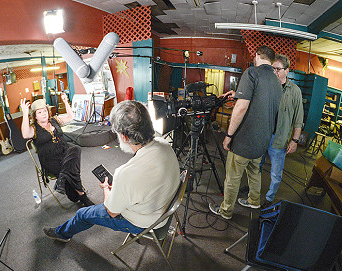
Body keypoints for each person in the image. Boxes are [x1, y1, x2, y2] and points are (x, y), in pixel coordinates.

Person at [42, 100, 180, 242]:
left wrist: (106, 189)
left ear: (124, 137)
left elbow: (112, 212)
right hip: (164, 211)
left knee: (83, 214)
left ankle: (62, 234)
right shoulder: (164, 144)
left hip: (144, 222)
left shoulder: (125, 173)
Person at [209, 45, 282, 220]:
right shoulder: (277, 81)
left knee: (233, 178)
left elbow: (241, 108)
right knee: (254, 173)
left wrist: (228, 136)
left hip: (244, 141)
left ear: (257, 56)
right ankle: (254, 201)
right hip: (262, 141)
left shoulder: (252, 73)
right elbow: (264, 104)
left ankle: (226, 211)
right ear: (271, 61)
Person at [20, 98, 94, 207]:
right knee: (72, 180)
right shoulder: (34, 128)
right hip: (50, 160)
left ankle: (65, 182)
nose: (43, 114)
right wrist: (25, 113)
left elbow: (70, 117)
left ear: (48, 111)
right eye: (39, 112)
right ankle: (81, 194)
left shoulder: (54, 120)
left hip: (65, 153)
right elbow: (26, 134)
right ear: (35, 116)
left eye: (44, 110)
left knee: (76, 149)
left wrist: (65, 102)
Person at [254, 54, 304, 205]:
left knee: (276, 173)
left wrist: (294, 140)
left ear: (287, 71)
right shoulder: (267, 85)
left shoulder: (295, 91)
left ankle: (269, 198)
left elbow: (298, 119)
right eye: (272, 68)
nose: (274, 72)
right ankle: (253, 191)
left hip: (280, 139)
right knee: (256, 166)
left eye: (278, 69)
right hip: (263, 135)